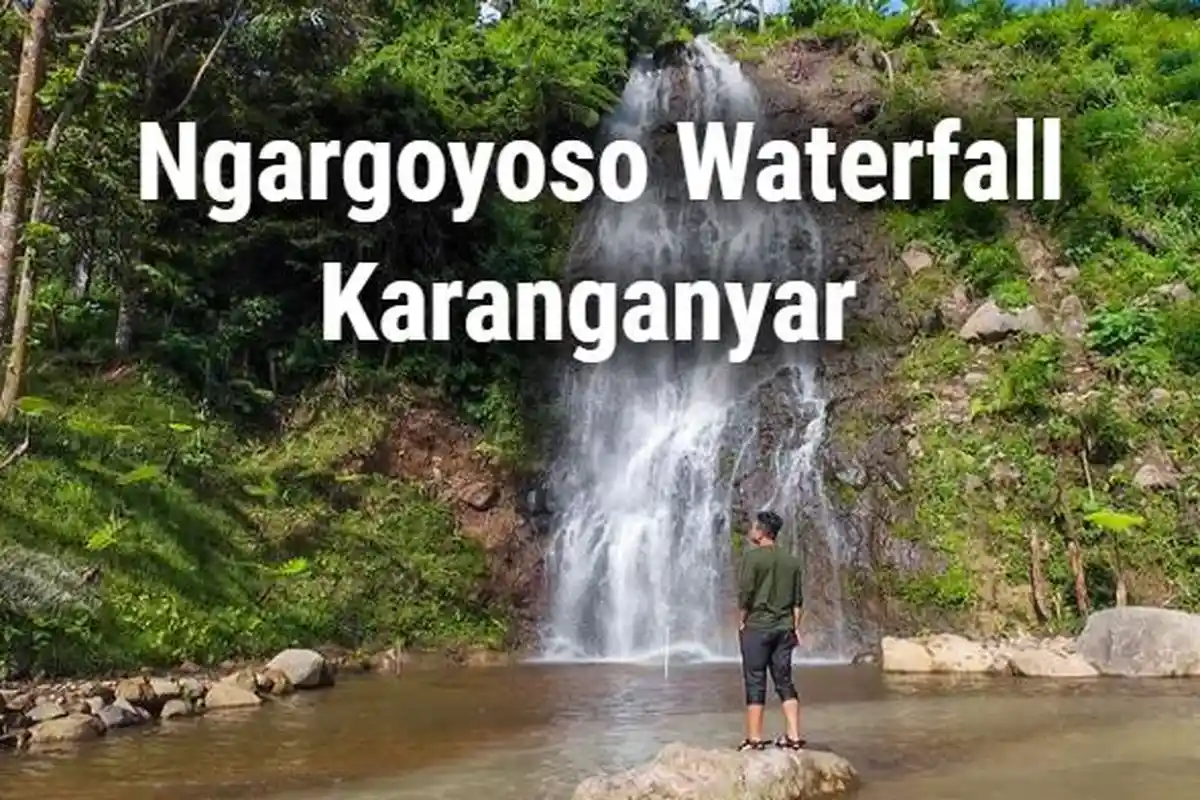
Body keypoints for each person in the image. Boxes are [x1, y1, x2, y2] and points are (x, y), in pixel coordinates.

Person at [735, 509, 805, 752]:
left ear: (762, 532)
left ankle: (754, 739)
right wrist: (795, 628)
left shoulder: (752, 558)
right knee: (784, 681)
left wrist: (742, 620)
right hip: (785, 628)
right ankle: (794, 737)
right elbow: (798, 601)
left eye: (754, 527)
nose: (751, 531)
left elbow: (746, 593)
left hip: (758, 626)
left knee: (755, 680)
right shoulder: (792, 561)